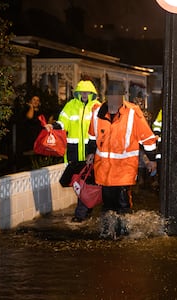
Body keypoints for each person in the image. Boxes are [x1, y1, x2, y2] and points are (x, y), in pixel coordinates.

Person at [86, 83, 157, 238]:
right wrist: (90, 152)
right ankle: (107, 233)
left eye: (117, 96)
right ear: (107, 97)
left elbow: (147, 138)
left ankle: (123, 233)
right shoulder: (97, 112)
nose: (114, 99)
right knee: (108, 204)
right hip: (104, 170)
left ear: (122, 97)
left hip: (124, 169)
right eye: (111, 96)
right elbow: (92, 136)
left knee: (123, 203)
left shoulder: (132, 113)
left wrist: (151, 159)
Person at [45, 79, 101, 222]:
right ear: (77, 93)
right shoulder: (70, 106)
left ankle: (80, 215)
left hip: (91, 152)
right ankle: (86, 210)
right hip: (74, 152)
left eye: (87, 92)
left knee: (85, 183)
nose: (84, 94)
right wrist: (53, 126)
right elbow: (63, 123)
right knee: (78, 183)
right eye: (82, 91)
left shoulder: (97, 107)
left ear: (92, 93)